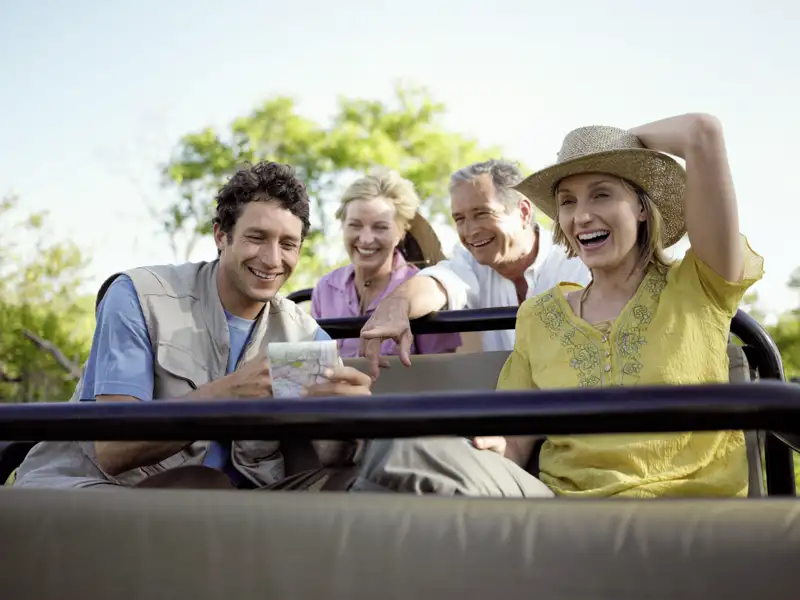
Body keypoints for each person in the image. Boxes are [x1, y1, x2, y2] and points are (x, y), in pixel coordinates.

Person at [353, 113, 763, 498]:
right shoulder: (539, 315)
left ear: (641, 206)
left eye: (601, 194)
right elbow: (512, 441)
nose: (582, 215)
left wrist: (622, 143)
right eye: (567, 202)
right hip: (557, 513)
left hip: (686, 513)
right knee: (401, 449)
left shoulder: (699, 284)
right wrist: (490, 444)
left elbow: (702, 132)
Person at [13, 161, 372, 491]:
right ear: (221, 236)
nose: (273, 259)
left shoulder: (305, 335)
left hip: (240, 512)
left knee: (361, 486)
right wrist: (229, 394)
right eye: (256, 237)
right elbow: (114, 448)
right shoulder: (139, 296)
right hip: (99, 493)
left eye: (288, 244)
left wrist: (346, 429)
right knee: (202, 483)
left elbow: (329, 456)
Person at [359, 159, 590, 379]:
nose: (470, 230)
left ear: (524, 212)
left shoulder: (578, 261)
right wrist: (397, 304)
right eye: (459, 219)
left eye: (482, 214)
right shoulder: (470, 262)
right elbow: (438, 281)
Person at [311, 167, 461, 358]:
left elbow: (443, 370)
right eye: (355, 225)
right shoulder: (326, 288)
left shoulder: (424, 291)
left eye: (380, 227)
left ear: (400, 233)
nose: (365, 239)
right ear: (342, 226)